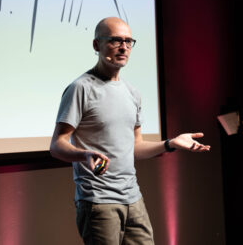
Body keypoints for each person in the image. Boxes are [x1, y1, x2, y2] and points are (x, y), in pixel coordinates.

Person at [50, 17, 211, 245]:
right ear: (97, 45)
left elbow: (136, 147)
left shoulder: (132, 92)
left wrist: (171, 143)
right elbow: (57, 145)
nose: (123, 47)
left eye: (128, 41)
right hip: (99, 202)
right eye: (115, 41)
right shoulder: (81, 88)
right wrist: (83, 154)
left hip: (133, 198)